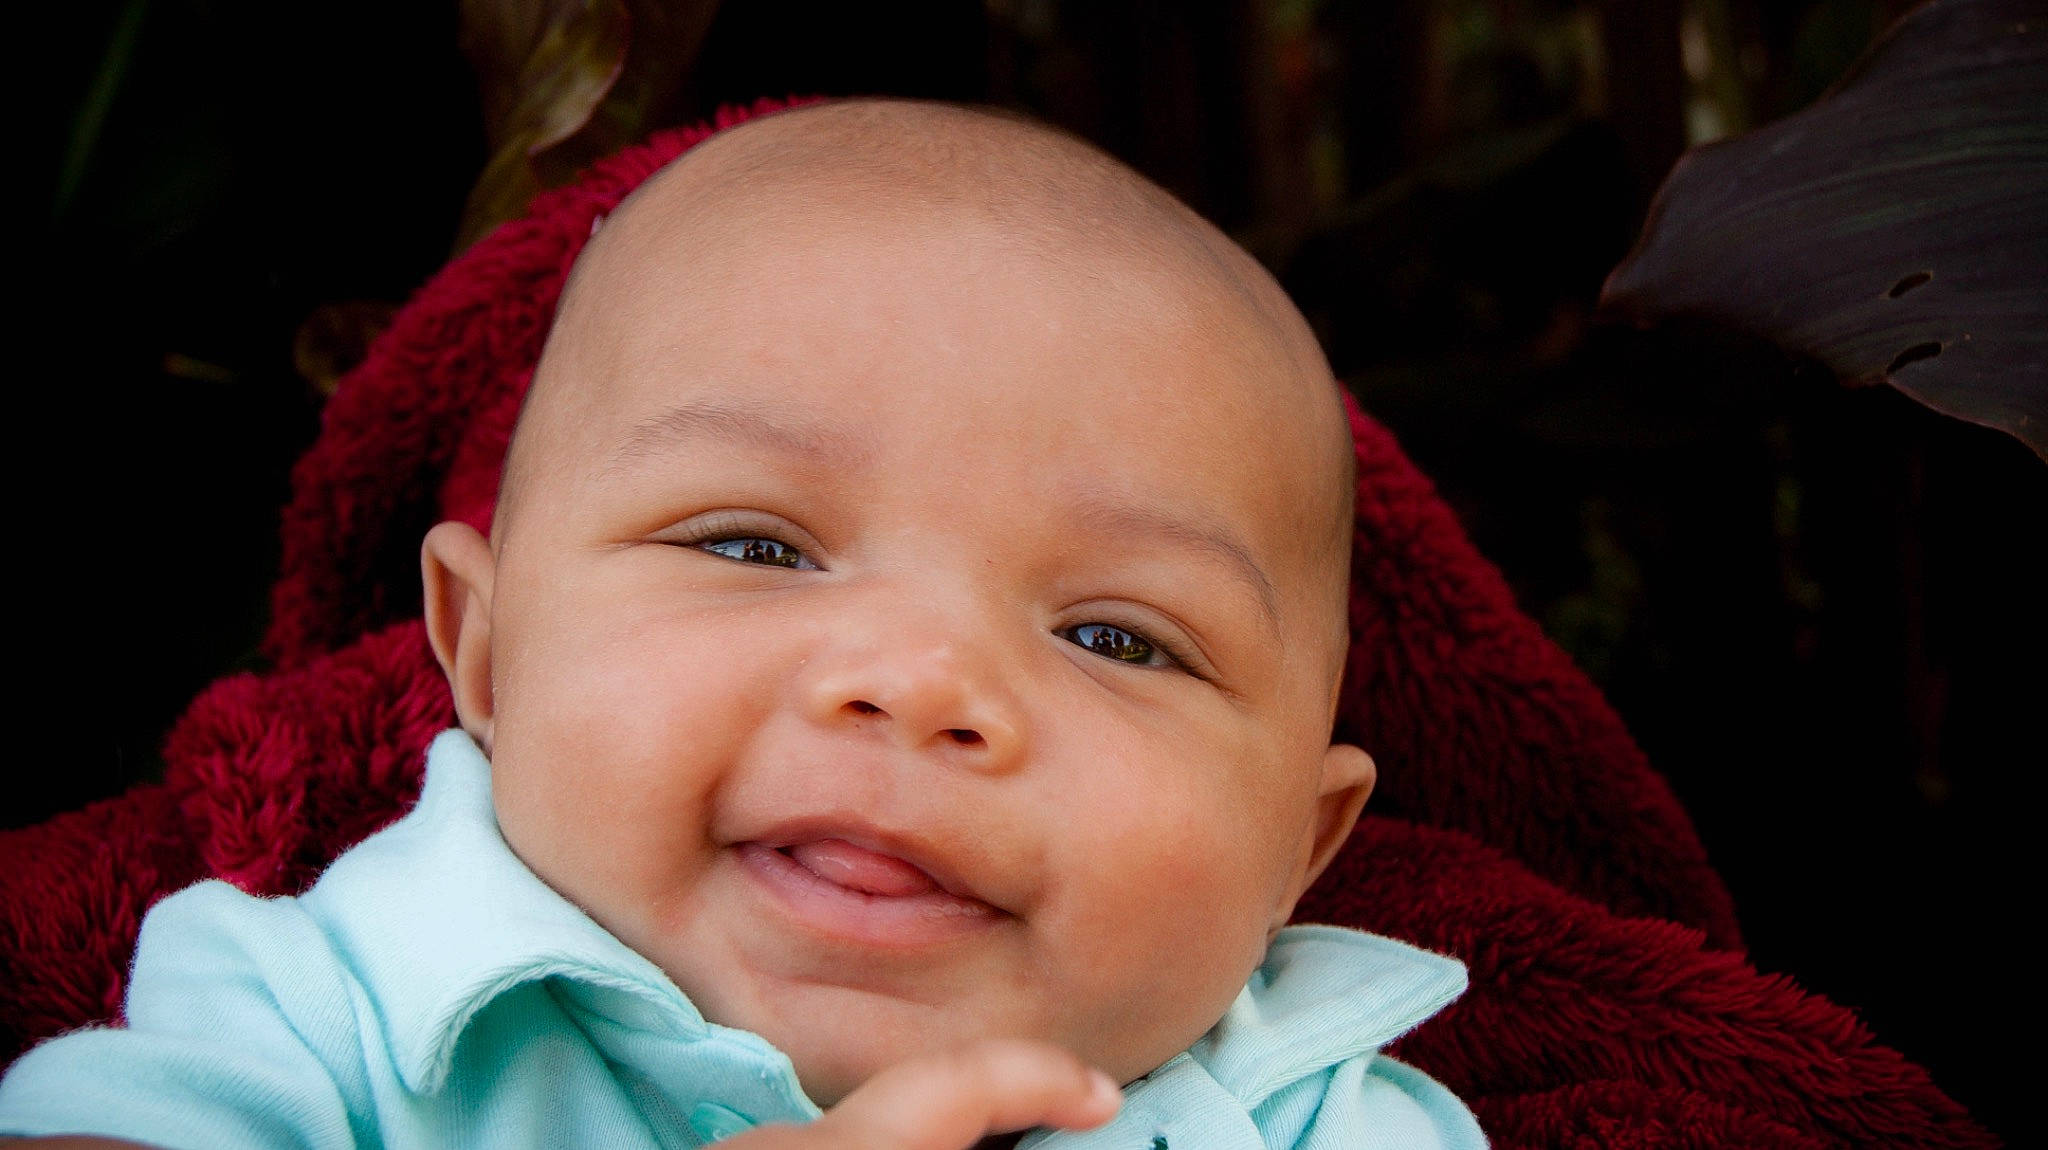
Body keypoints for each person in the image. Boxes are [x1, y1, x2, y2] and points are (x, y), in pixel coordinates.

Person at [0, 99, 1484, 1149]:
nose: (921, 685)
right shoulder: (327, 1002)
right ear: (488, 650)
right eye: (756, 544)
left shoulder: (1319, 1111)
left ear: (1298, 845)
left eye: (1118, 638)